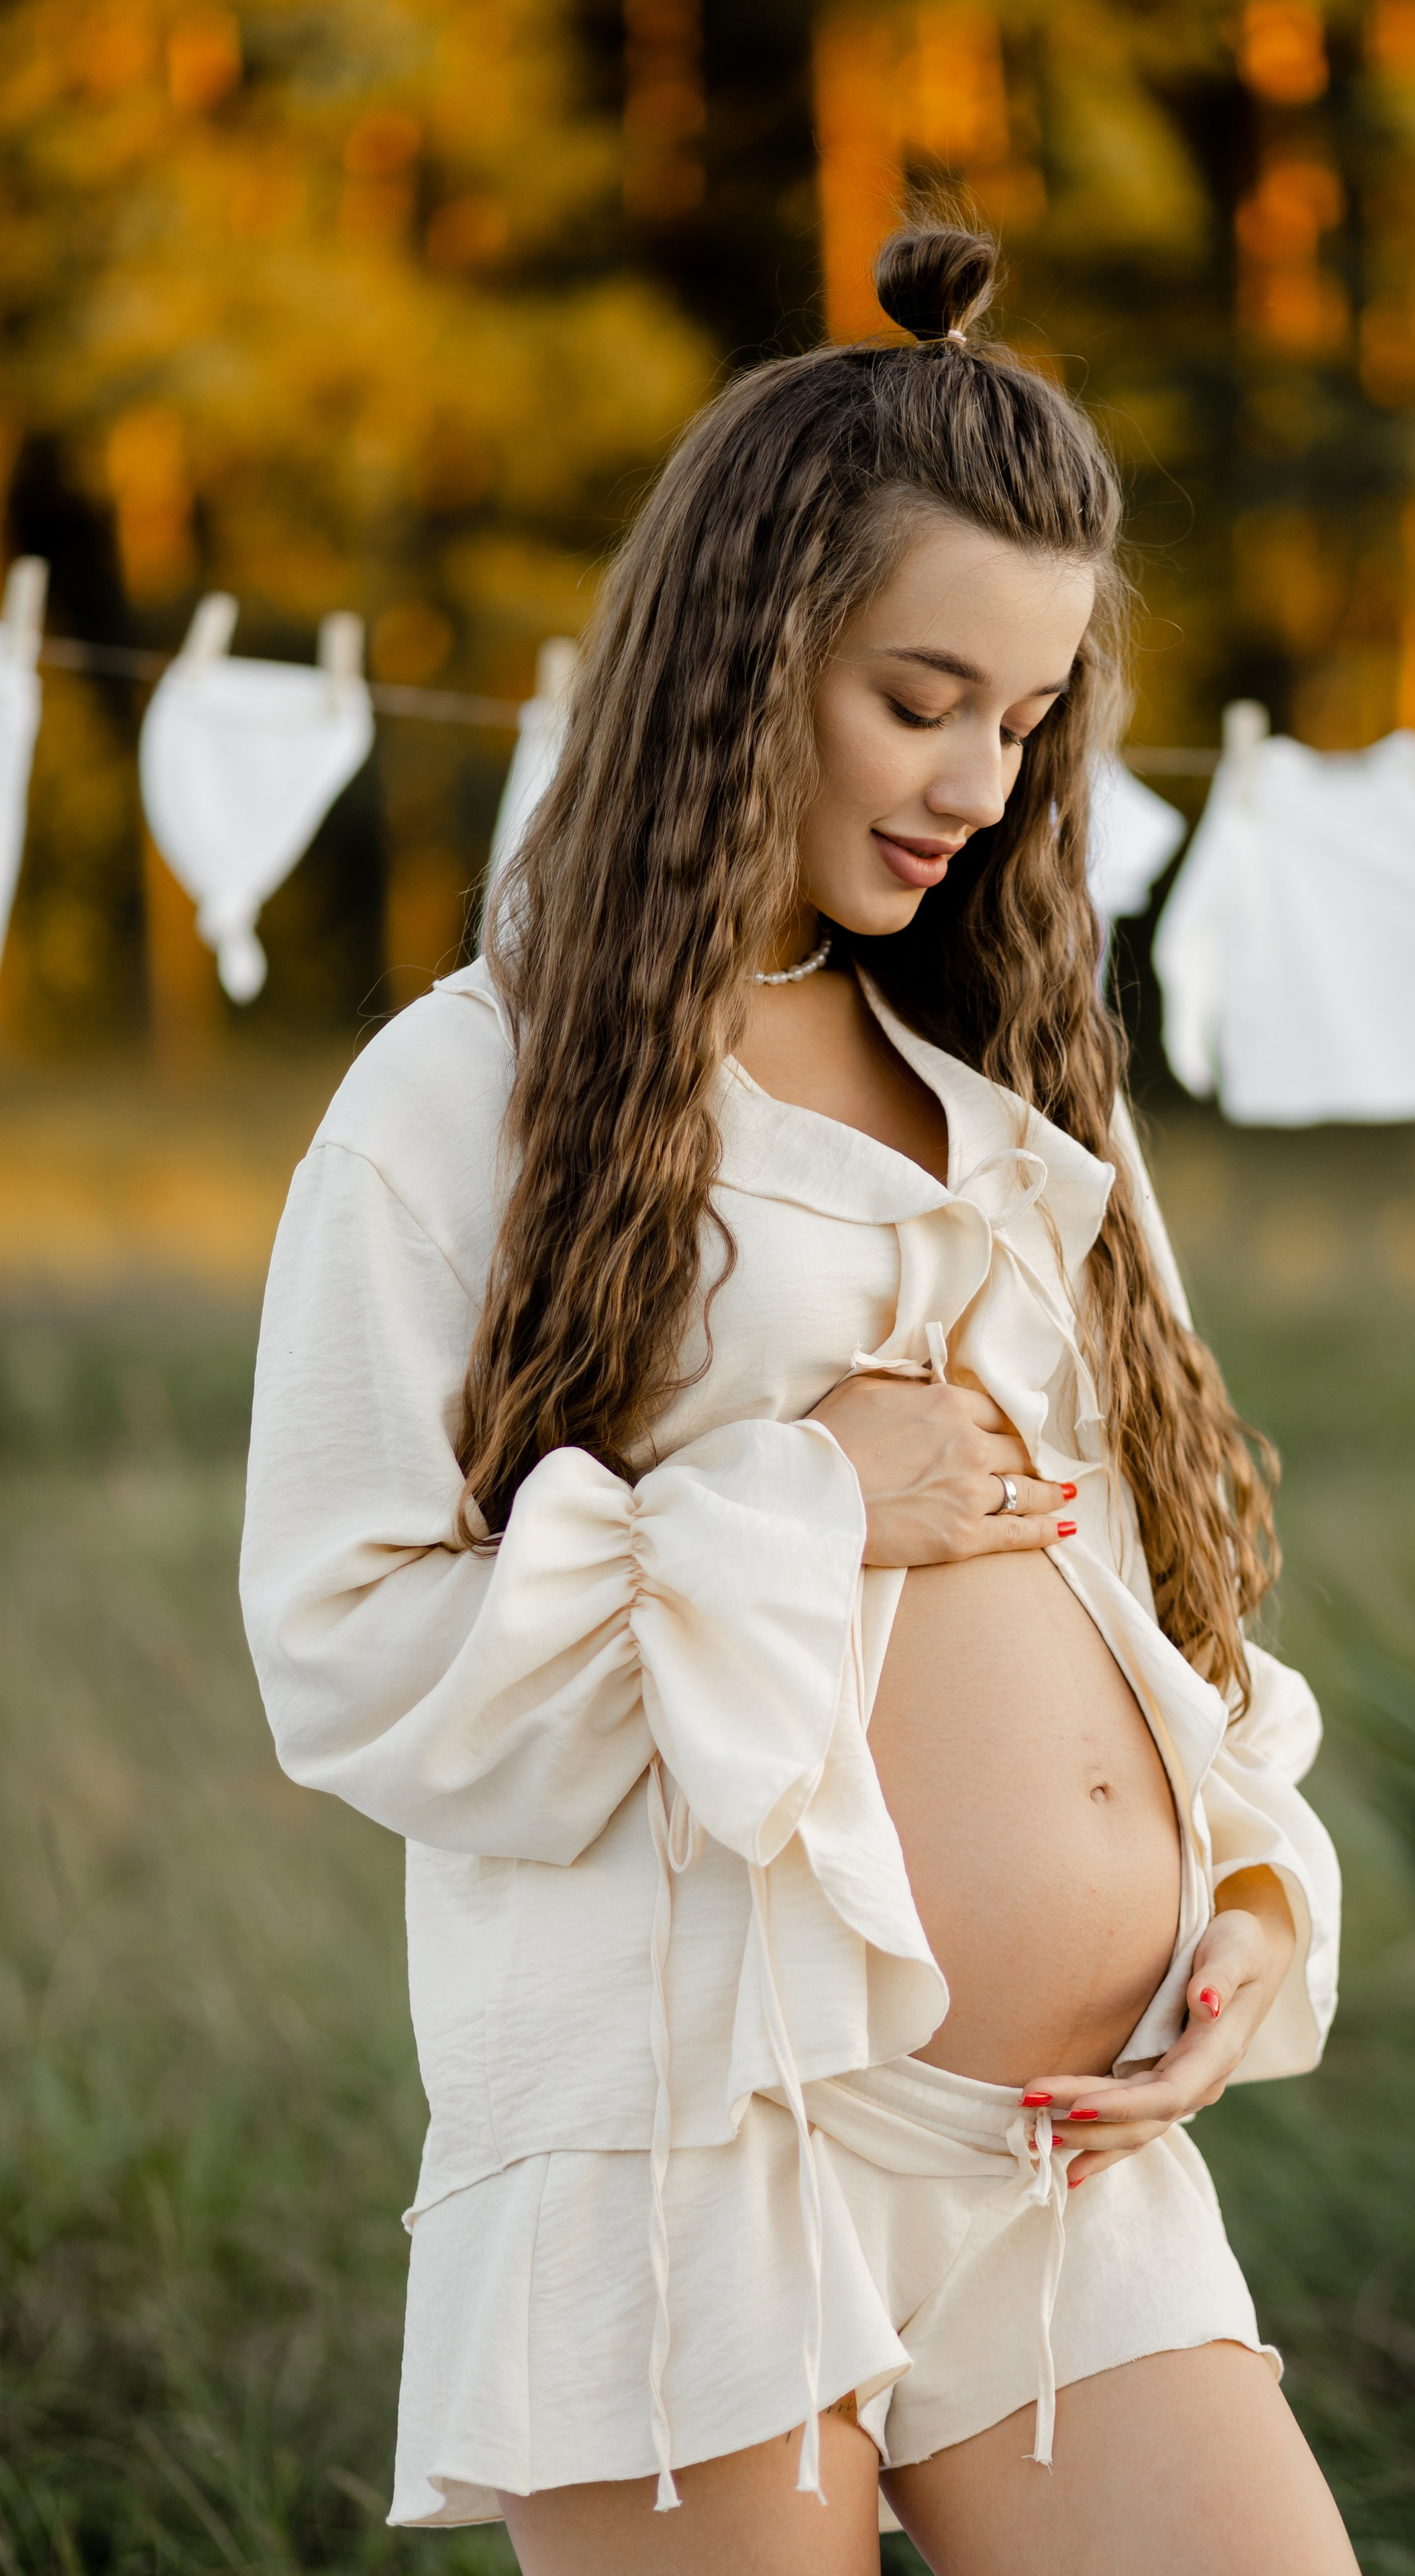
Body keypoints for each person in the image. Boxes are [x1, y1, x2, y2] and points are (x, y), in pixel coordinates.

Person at [241, 221, 1354, 2576]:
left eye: (1031, 717)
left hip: (1056, 2155)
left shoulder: (1019, 1079)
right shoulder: (470, 1101)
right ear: (746, 657)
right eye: (919, 695)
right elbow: (349, 1656)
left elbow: (1148, 1579)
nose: (979, 776)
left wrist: (1238, 1880)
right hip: (689, 2137)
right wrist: (797, 1501)